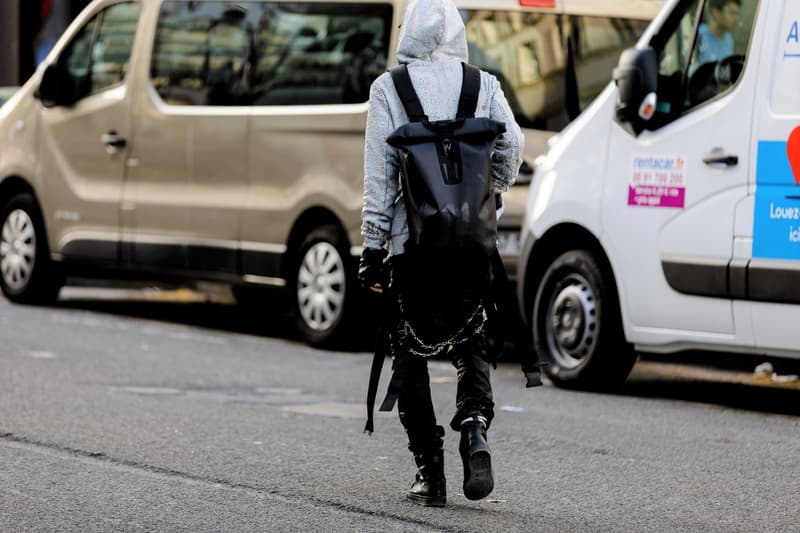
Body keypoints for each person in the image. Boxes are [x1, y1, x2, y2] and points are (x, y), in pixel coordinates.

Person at [358, 0, 523, 507]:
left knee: (409, 354)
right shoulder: (483, 85)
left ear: (408, 33)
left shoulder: (389, 89)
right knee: (470, 342)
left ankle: (430, 471)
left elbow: (381, 177)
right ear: (456, 30)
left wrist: (372, 246)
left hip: (414, 249)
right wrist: (483, 193)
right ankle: (474, 428)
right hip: (472, 246)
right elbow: (512, 148)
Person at [697, 0, 741, 64]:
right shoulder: (699, 35)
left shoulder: (729, 39)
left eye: (737, 14)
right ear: (715, 12)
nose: (736, 19)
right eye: (732, 13)